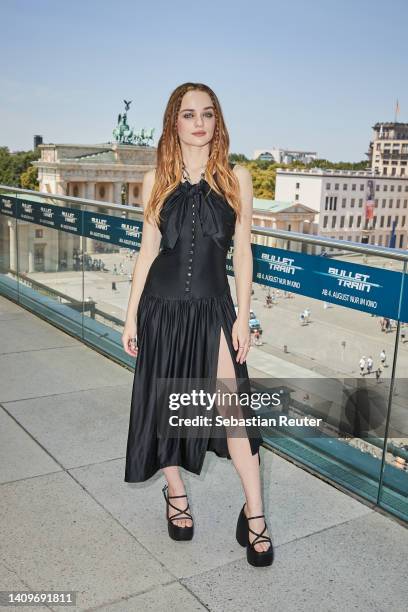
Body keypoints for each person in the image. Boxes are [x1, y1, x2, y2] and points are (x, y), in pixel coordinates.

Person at [121, 83, 273, 567]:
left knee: (235, 417)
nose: (199, 122)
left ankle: (255, 518)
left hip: (213, 310)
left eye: (207, 113)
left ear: (217, 121)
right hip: (160, 309)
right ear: (175, 123)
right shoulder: (154, 182)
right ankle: (176, 494)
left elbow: (243, 254)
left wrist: (244, 317)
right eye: (189, 114)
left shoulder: (236, 178)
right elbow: (147, 253)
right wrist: (130, 316)